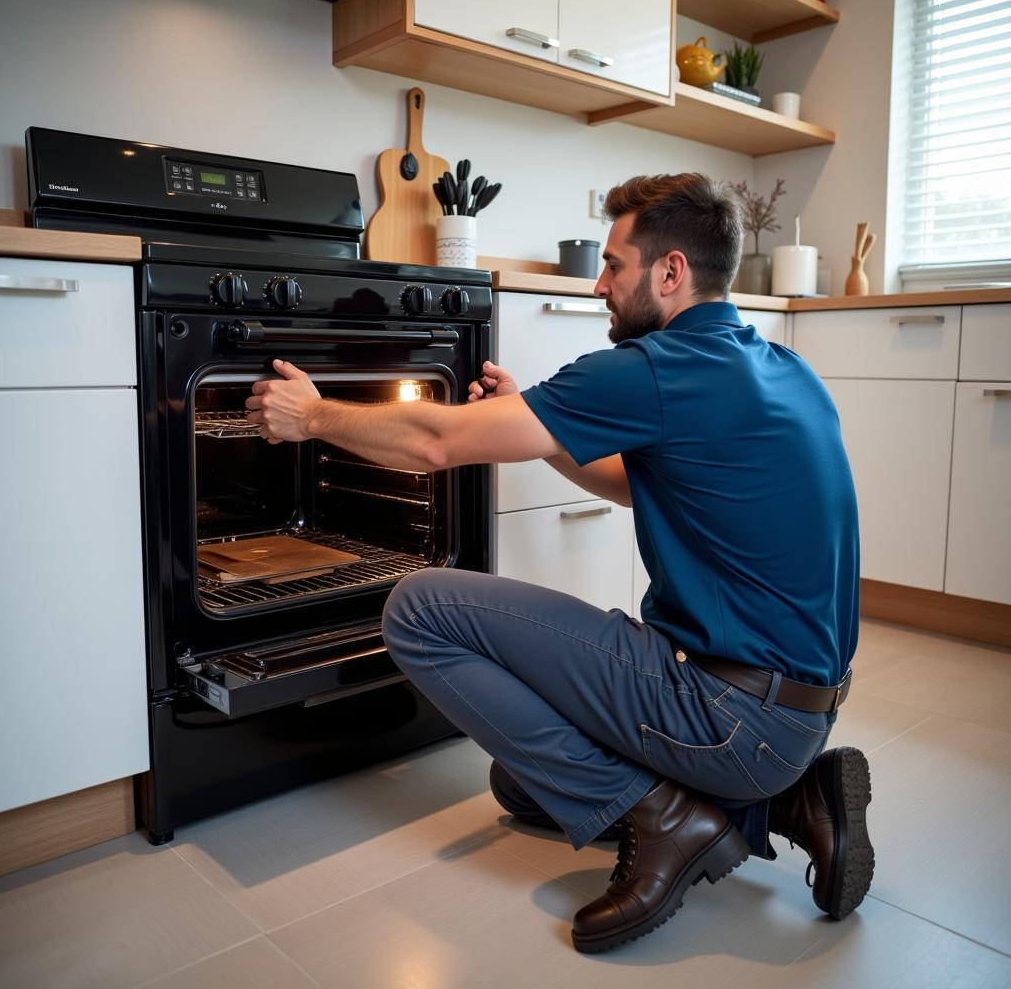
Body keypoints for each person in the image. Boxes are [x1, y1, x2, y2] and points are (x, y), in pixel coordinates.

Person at [246, 172, 874, 954]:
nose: (600, 285)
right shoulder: (780, 367)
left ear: (670, 271)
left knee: (418, 608)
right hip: (796, 716)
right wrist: (541, 426)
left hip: (731, 715)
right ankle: (789, 802)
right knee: (524, 782)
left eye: (615, 265)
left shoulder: (654, 368)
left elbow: (435, 443)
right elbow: (636, 487)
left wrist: (312, 416)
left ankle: (670, 819)